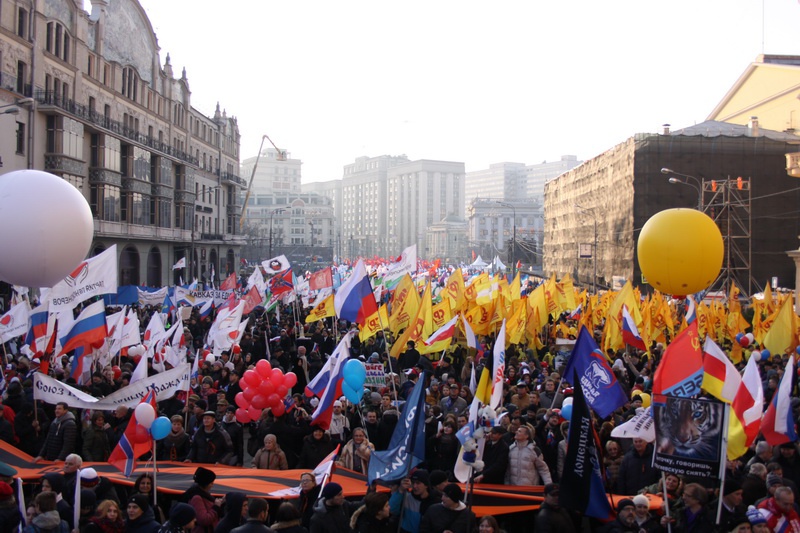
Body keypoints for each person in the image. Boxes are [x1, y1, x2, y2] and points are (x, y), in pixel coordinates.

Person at [184, 467, 224, 533]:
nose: (212, 485)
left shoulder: (204, 495)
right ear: (205, 483)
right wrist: (216, 507)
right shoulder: (197, 498)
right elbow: (203, 520)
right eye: (211, 483)